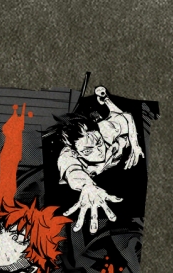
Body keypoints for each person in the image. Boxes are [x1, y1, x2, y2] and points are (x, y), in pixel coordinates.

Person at [56, 85, 145, 234]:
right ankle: (104, 98)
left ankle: (106, 100)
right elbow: (73, 172)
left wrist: (135, 145)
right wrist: (87, 186)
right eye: (88, 151)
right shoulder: (68, 156)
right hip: (111, 161)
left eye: (98, 143)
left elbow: (127, 117)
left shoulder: (105, 129)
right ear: (76, 153)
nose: (99, 152)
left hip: (119, 144)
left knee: (117, 118)